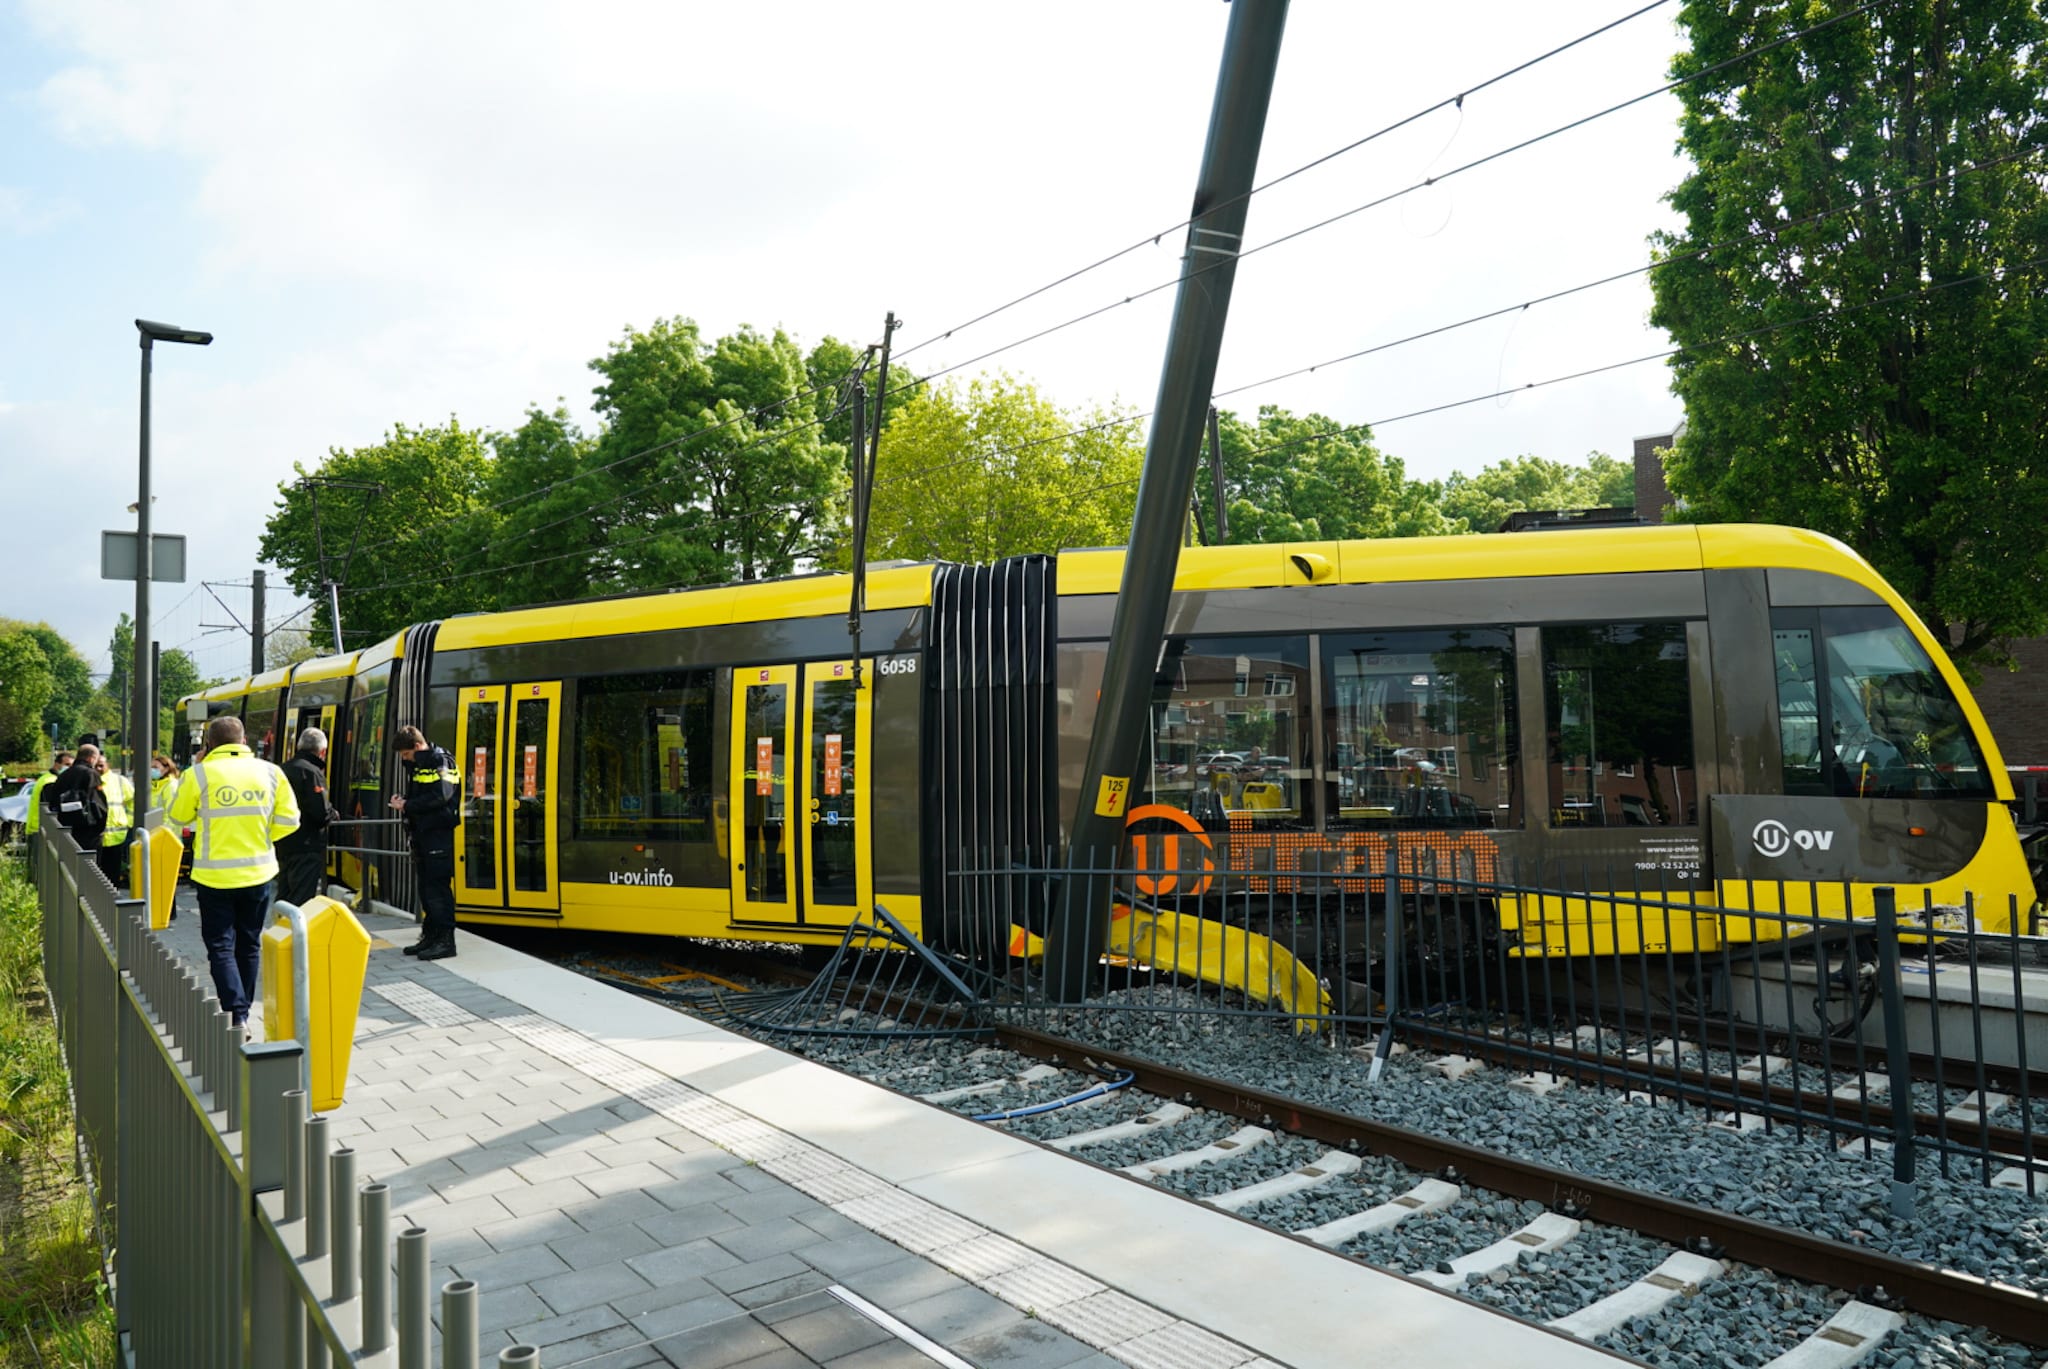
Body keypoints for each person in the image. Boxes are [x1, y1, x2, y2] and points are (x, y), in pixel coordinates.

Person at [167, 716, 301, 1028]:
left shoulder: (199, 774)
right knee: (250, 943)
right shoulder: (271, 772)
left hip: (213, 876)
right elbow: (290, 821)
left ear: (209, 744)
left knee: (220, 946)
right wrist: (263, 838)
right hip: (258, 873)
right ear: (244, 741)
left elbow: (179, 816)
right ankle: (244, 1010)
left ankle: (237, 1014)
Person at [390, 724, 460, 960]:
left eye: (406, 754)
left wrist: (407, 805)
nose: (405, 759)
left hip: (438, 833)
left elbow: (442, 794)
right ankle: (430, 936)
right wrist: (405, 800)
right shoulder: (421, 764)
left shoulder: (441, 761)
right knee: (426, 888)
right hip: (424, 833)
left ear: (418, 746)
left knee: (438, 888)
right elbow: (424, 795)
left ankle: (446, 941)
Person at [276, 727, 338, 906]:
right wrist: (333, 814)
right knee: (301, 899)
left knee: (284, 894)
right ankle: (295, 925)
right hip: (307, 845)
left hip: (283, 843)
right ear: (322, 751)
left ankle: (280, 922)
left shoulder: (281, 770)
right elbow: (320, 812)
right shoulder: (312, 772)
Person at [46, 744, 108, 854]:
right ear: (91, 758)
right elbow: (98, 804)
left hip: (66, 830)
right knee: (89, 862)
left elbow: (53, 802)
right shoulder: (90, 774)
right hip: (88, 832)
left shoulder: (63, 775)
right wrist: (100, 828)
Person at [94, 753, 135, 884]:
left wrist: (128, 821)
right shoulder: (90, 780)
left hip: (117, 837)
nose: (98, 768)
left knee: (112, 875)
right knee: (95, 875)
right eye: (95, 766)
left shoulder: (120, 781)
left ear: (108, 765)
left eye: (101, 765)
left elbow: (133, 801)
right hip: (96, 837)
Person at [22, 751, 71, 839]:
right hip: (41, 830)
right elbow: (51, 809)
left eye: (71, 765)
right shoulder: (51, 782)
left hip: (37, 827)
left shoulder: (47, 777)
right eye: (67, 764)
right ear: (56, 764)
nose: (69, 768)